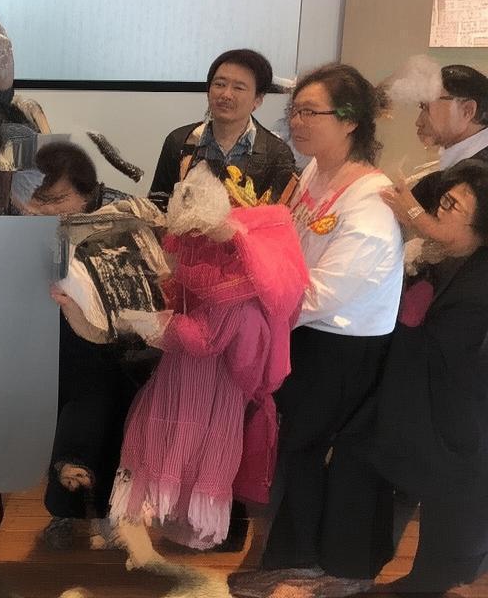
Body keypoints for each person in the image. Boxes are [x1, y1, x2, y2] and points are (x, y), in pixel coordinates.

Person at [229, 64, 404, 597]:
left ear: (350, 121)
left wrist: (247, 304)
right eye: (295, 111)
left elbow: (324, 292)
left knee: (308, 448)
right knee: (293, 446)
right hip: (302, 329)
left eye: (311, 112)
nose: (297, 122)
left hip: (341, 344)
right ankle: (293, 555)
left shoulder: (369, 203)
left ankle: (310, 562)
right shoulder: (315, 172)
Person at [298, 159, 488, 597]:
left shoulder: (478, 284)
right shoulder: (443, 258)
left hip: (453, 425)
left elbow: (443, 348)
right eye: (441, 201)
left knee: (448, 536)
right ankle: (353, 570)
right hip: (413, 402)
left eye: (451, 205)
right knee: (358, 458)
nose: (437, 211)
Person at [107, 167, 307, 552]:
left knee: (189, 449)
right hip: (193, 375)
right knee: (184, 448)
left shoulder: (237, 284)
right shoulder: (226, 270)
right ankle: (176, 521)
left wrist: (151, 322)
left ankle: (188, 525)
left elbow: (204, 338)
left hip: (208, 379)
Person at [37, 142, 165, 550]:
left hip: (115, 344)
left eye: (59, 199)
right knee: (67, 426)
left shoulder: (121, 212)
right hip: (61, 341)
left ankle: (110, 513)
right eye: (42, 199)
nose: (50, 208)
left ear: (87, 191)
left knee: (112, 425)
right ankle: (62, 512)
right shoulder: (33, 221)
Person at [148, 49, 296, 210]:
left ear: (258, 99)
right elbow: (157, 206)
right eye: (219, 84)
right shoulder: (179, 141)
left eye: (238, 88)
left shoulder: (277, 154)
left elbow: (277, 218)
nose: (226, 94)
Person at [383, 65, 488, 241]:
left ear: (467, 110)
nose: (418, 121)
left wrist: (412, 213)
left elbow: (462, 241)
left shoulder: (481, 174)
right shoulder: (453, 163)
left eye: (427, 107)